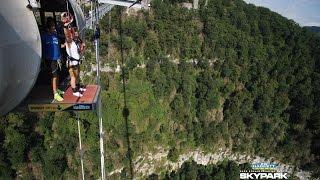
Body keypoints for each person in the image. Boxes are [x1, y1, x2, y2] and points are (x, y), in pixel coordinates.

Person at [41, 20, 64, 101]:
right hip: (50, 60)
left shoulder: (55, 35)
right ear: (48, 28)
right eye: (53, 27)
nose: (54, 28)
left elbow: (58, 45)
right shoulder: (43, 37)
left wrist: (64, 45)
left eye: (54, 26)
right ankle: (55, 94)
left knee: (57, 75)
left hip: (57, 58)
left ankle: (57, 89)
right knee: (54, 76)